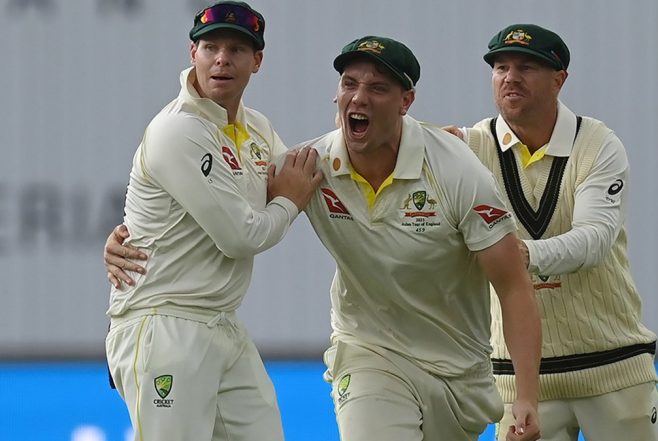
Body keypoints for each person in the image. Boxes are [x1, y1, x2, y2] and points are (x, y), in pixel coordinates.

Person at [106, 35, 543, 441]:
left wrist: (525, 397)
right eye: (349, 83)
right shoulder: (316, 165)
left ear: (406, 101)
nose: (359, 97)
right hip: (369, 354)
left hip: (457, 371)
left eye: (378, 88)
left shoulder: (454, 169)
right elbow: (228, 209)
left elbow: (512, 284)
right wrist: (136, 241)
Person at [103, 2, 322, 440]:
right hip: (164, 322)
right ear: (193, 54)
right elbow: (240, 237)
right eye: (210, 47)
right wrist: (289, 203)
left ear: (257, 61)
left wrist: (429, 142)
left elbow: (314, 168)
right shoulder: (177, 130)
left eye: (237, 49)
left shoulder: (254, 127)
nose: (222, 58)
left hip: (221, 322)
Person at [444, 24, 658, 441]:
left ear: (559, 78)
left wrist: (521, 256)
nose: (509, 77)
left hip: (613, 368)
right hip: (520, 382)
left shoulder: (598, 144)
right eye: (500, 66)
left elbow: (595, 239)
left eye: (526, 67)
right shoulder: (468, 148)